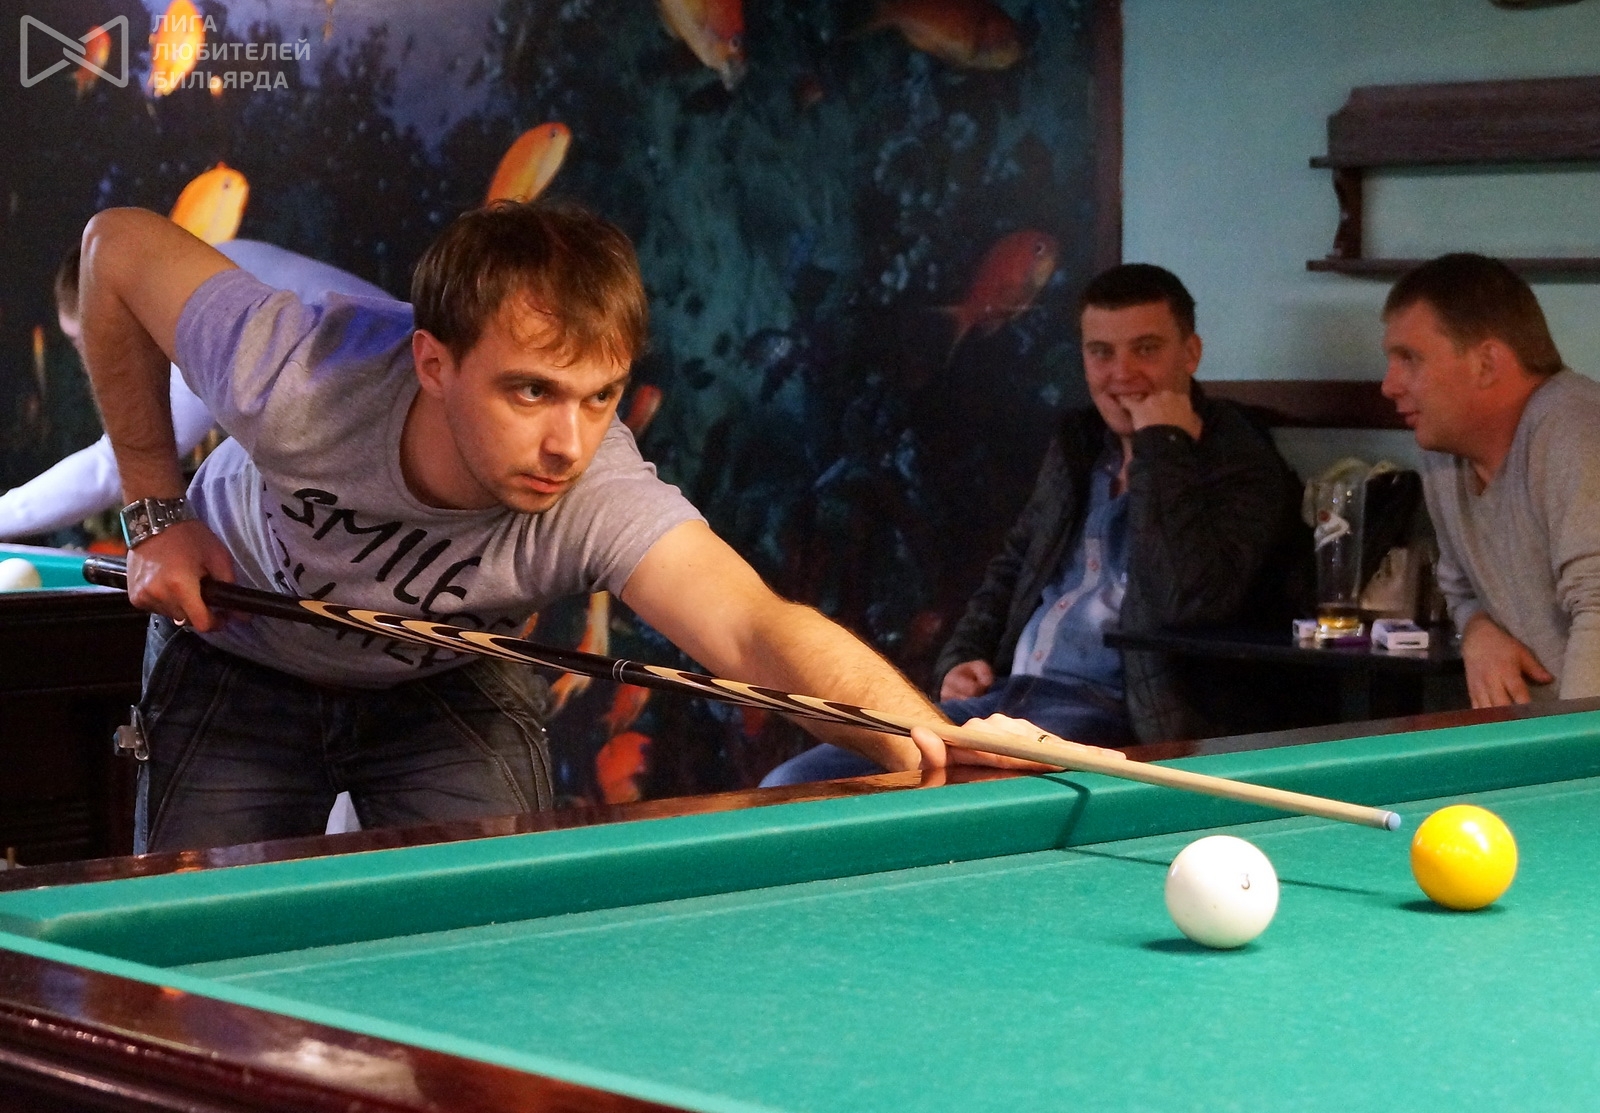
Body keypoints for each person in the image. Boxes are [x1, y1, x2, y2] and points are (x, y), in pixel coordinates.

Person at [78, 201, 1099, 853]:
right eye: (529, 390)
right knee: (196, 963)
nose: (567, 443)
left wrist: (929, 738)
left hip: (448, 679)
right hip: (240, 654)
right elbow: (115, 245)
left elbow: (751, 628)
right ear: (434, 364)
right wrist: (157, 512)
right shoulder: (298, 372)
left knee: (501, 941)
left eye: (600, 395)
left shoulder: (592, 484)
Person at [764, 264, 1307, 786]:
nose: (1122, 373)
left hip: (1119, 718)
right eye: (1102, 352)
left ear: (1191, 353)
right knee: (792, 781)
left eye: (1146, 349)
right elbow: (1014, 565)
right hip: (1006, 701)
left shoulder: (1241, 457)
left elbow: (1187, 599)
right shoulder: (1078, 444)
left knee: (948, 794)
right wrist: (962, 656)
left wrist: (1162, 445)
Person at [0, 241, 389, 540]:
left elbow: (116, 463)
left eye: (85, 341)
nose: (89, 360)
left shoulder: (201, 301)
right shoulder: (217, 264)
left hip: (383, 428)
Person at [1380, 252, 1600, 707]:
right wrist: (1478, 630)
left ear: (1486, 363)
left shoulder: (1576, 428)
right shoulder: (1443, 453)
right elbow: (1458, 588)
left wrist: (1570, 750)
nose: (1389, 385)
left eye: (1410, 359)